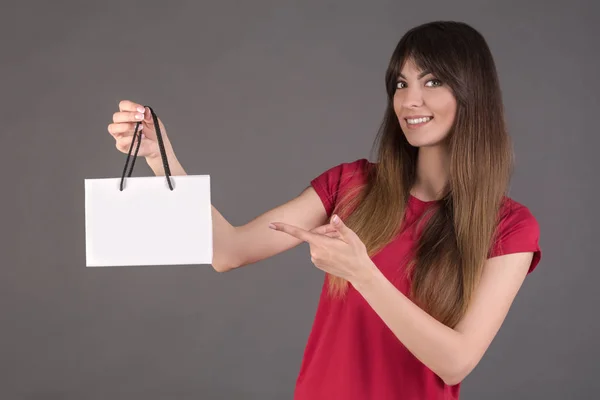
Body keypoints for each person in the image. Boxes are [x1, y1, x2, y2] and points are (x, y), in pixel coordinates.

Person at [107, 20, 541, 400]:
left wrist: (362, 273)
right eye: (400, 83)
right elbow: (228, 251)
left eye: (431, 82)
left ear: (471, 93)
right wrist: (161, 158)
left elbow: (456, 362)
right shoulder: (351, 185)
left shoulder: (510, 228)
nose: (410, 100)